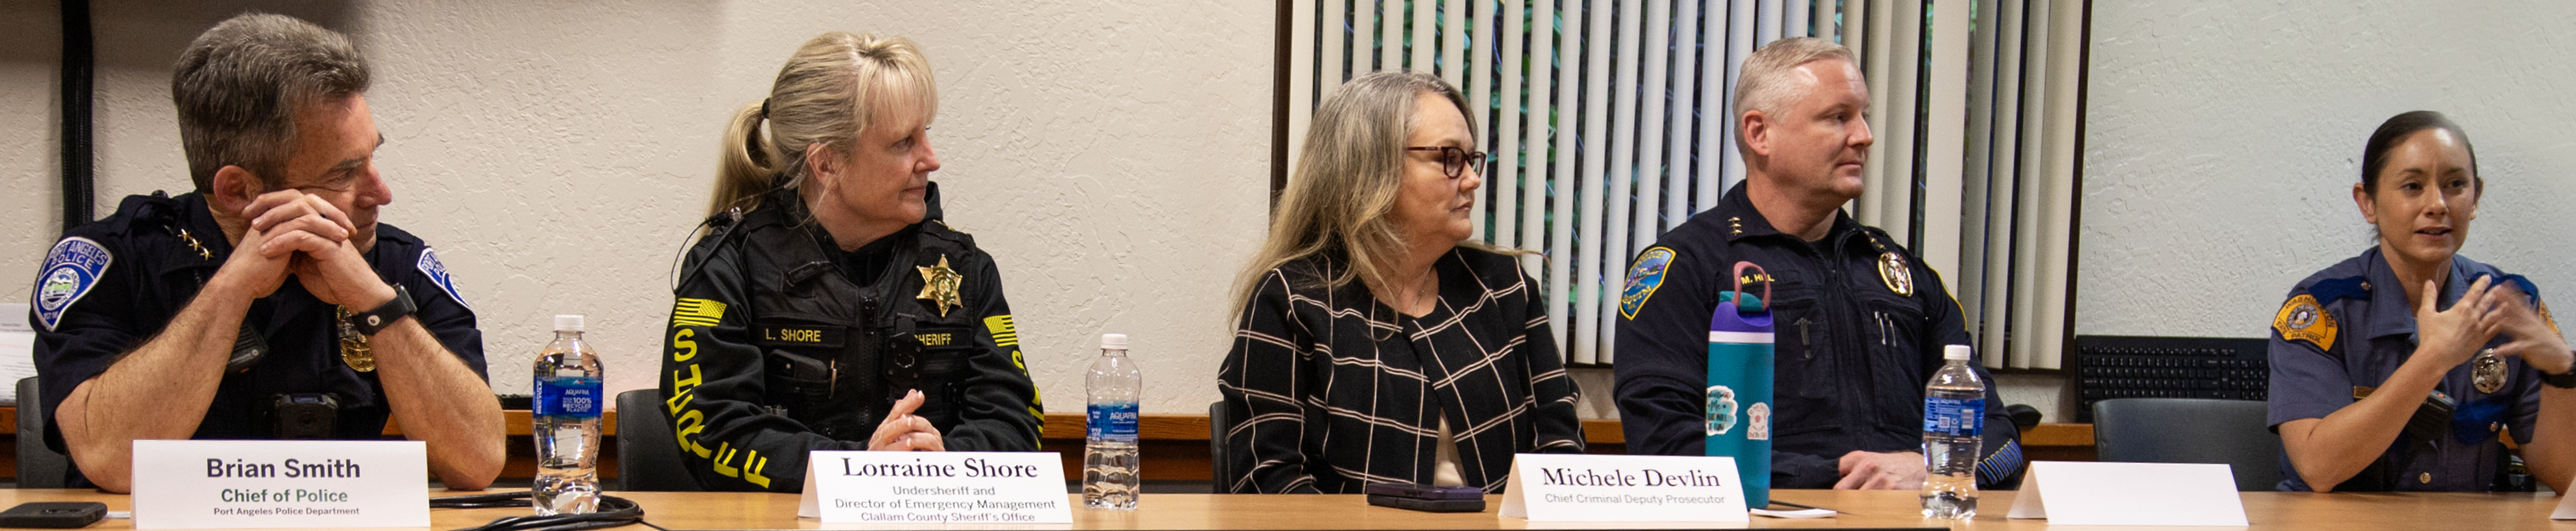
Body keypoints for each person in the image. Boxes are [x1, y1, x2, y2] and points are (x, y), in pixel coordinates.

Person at [26, 14, 504, 493]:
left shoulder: (393, 261)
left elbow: (477, 461)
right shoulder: (112, 260)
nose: (381, 193)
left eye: (373, 156)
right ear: (238, 190)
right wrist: (233, 286)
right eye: (344, 174)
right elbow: (112, 462)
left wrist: (374, 302)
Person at [1610, 37, 2024, 491]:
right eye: (1838, 117)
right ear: (1759, 133)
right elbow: (1662, 445)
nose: (1863, 135)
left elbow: (2001, 438)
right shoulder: (1687, 267)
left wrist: (1932, 470)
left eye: (1864, 115)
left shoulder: (1900, 274)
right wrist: (1846, 480)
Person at [660, 31, 1043, 493]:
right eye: (904, 142)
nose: (932, 159)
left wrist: (945, 463)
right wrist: (860, 468)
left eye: (927, 135)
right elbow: (712, 430)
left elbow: (1015, 423)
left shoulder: (965, 268)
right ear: (826, 164)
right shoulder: (728, 267)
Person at [1217, 71, 1584, 494]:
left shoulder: (1504, 288)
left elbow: (1559, 449)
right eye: (1449, 158)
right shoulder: (1291, 298)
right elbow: (1268, 479)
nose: (1472, 179)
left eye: (1470, 159)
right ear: (1371, 167)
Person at [2267, 111, 2576, 493]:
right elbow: (2318, 467)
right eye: (2413, 186)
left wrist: (2563, 371)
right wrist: (2433, 359)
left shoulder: (2509, 304)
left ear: (2476, 197)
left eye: (2456, 185)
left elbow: (2567, 478)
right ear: (2368, 203)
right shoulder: (2321, 310)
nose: (2438, 204)